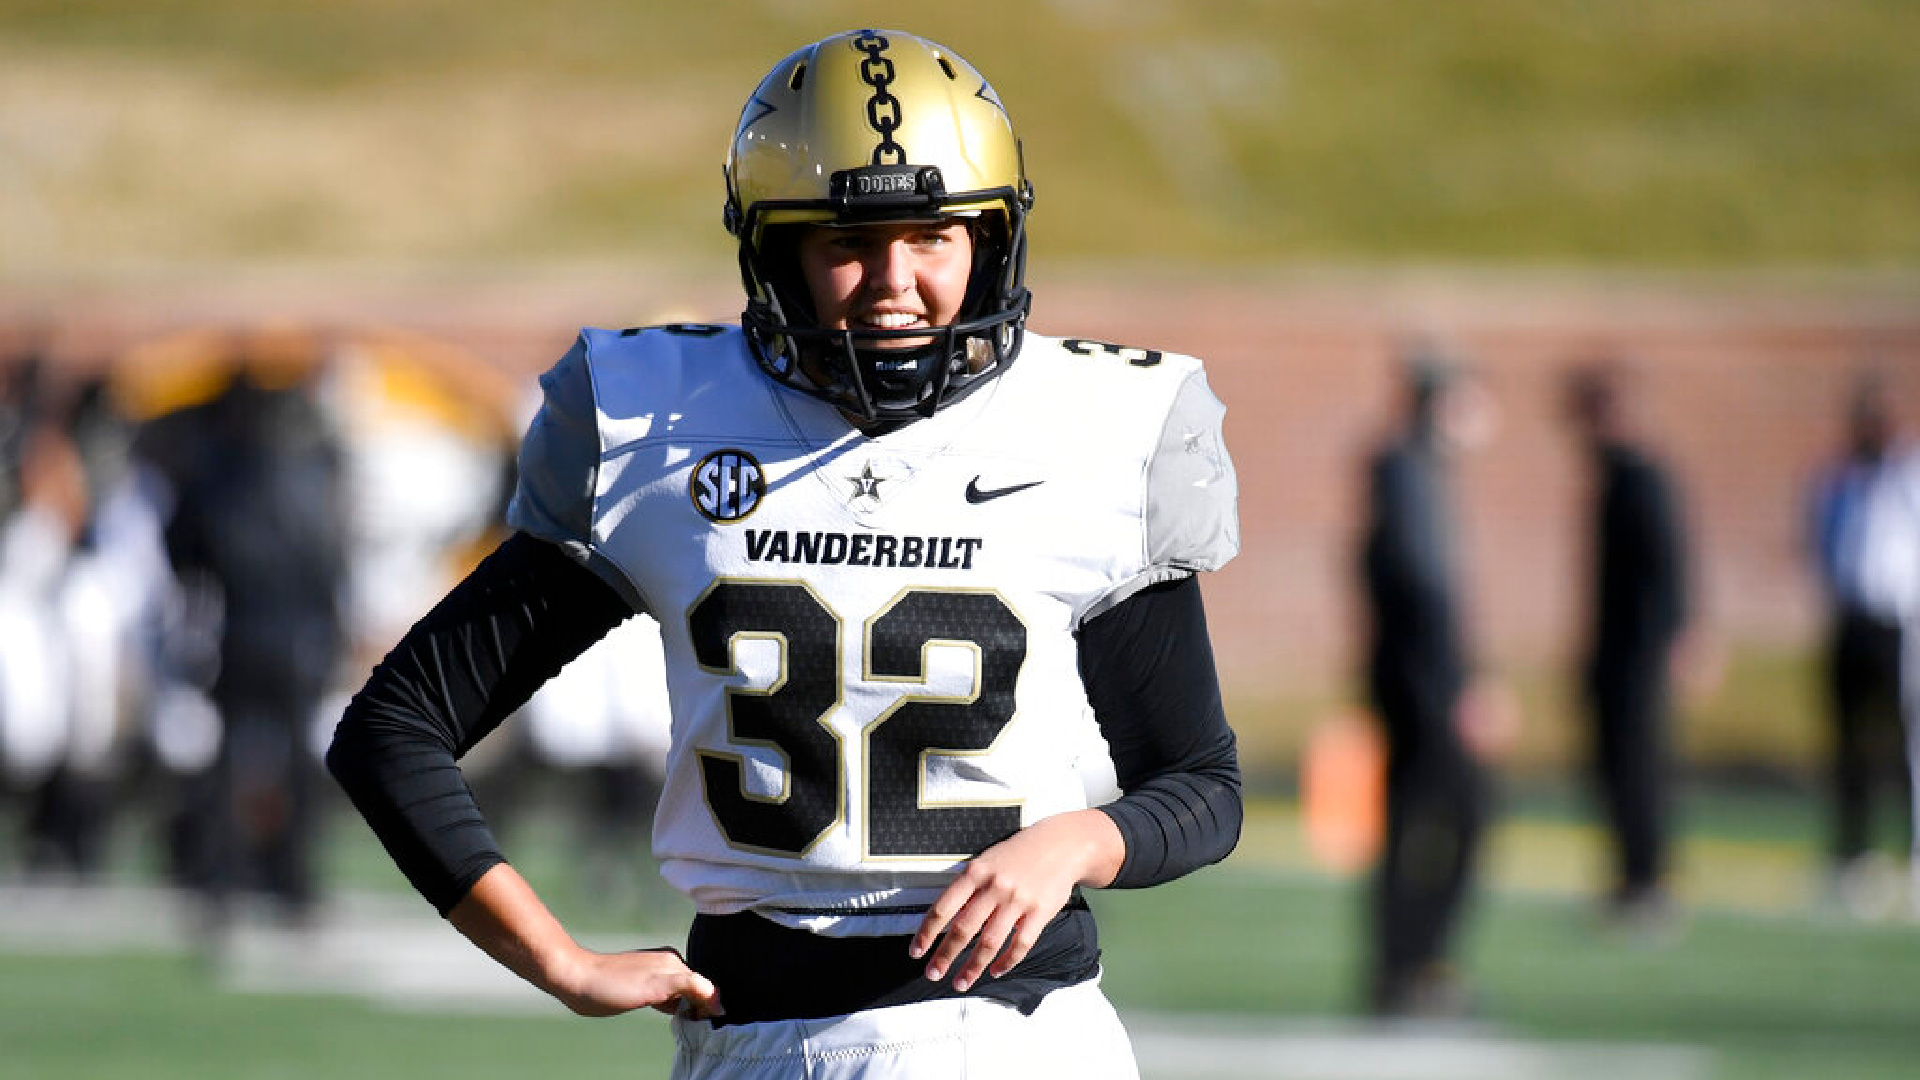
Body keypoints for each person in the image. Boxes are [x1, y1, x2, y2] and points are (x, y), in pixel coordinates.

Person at [328, 28, 1242, 1079]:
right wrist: (556, 961)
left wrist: (1080, 841)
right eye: (847, 242)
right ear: (774, 252)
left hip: (1015, 1041)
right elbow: (394, 727)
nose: (895, 282)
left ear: (991, 240)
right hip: (752, 1039)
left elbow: (1202, 784)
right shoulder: (654, 428)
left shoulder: (1094, 426)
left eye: (933, 236)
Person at [1358, 347, 1506, 1018]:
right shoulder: (1408, 470)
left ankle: (1403, 971)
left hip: (1415, 684)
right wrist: (1462, 689)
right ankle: (1416, 966)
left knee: (1417, 825)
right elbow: (1427, 592)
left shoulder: (1413, 470)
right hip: (1427, 690)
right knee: (1458, 818)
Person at [1563, 358, 1692, 934]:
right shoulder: (1611, 475)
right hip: (1613, 649)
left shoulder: (1643, 475)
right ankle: (1627, 877)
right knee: (1613, 767)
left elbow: (1670, 565)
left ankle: (1649, 883)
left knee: (1640, 767)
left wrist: (1680, 635)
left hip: (1641, 651)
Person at [1808, 369, 1920, 918]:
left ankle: (1915, 854)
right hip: (1850, 620)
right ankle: (1855, 855)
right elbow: (1821, 541)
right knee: (1849, 743)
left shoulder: (1910, 478)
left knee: (1906, 745)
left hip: (1900, 623)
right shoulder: (1836, 478)